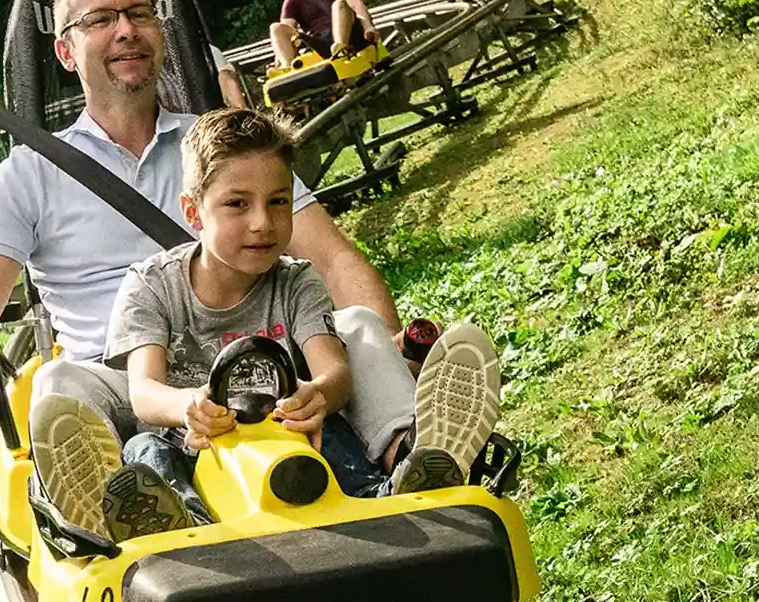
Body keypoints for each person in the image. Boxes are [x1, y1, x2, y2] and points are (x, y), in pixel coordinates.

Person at [0, 0, 425, 541]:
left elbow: (333, 257)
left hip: (260, 352)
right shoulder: (28, 176)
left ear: (160, 33)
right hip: (127, 384)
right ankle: (112, 512)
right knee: (59, 386)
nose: (126, 29)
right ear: (65, 52)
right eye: (100, 19)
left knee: (360, 325)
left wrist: (388, 345)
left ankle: (417, 454)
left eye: (139, 13)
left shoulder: (223, 149)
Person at [82, 108, 498, 531]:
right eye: (237, 204)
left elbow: (332, 369)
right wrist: (188, 405)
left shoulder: (296, 279)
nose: (262, 223)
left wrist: (315, 395)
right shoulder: (152, 286)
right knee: (145, 448)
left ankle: (396, 481)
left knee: (328, 426)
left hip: (284, 433)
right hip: (195, 441)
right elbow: (144, 391)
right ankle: (179, 521)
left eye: (278, 202)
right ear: (193, 213)